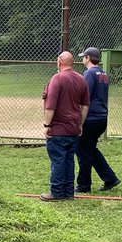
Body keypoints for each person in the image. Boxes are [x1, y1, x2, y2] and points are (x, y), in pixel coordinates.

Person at [40, 50, 89, 201]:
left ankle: (56, 192)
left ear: (59, 61)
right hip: (73, 129)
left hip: (58, 129)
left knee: (58, 160)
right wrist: (80, 124)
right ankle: (68, 192)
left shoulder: (57, 79)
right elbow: (85, 106)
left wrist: (47, 125)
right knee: (69, 160)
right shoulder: (81, 79)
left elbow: (50, 106)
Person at [76, 46, 121, 194]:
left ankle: (84, 185)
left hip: (91, 118)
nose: (82, 59)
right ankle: (110, 178)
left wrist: (79, 119)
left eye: (84, 57)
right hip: (101, 117)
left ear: (88, 58)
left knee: (83, 151)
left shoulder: (89, 73)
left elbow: (85, 97)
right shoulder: (103, 73)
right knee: (90, 150)